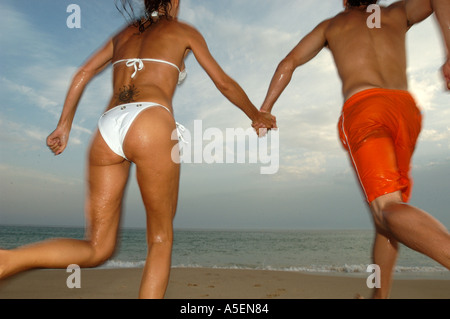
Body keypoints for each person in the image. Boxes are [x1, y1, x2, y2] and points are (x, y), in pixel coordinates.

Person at [0, 0, 276, 299]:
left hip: (108, 127)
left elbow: (83, 71)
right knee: (160, 239)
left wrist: (63, 125)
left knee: (97, 248)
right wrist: (255, 115)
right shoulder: (184, 31)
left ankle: (10, 260)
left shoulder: (124, 33)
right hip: (151, 120)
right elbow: (223, 82)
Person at [260, 0, 450, 299]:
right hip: (405, 111)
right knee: (387, 218)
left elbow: (288, 63)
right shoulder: (396, 12)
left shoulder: (333, 25)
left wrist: (266, 110)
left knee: (387, 210)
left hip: (366, 108)